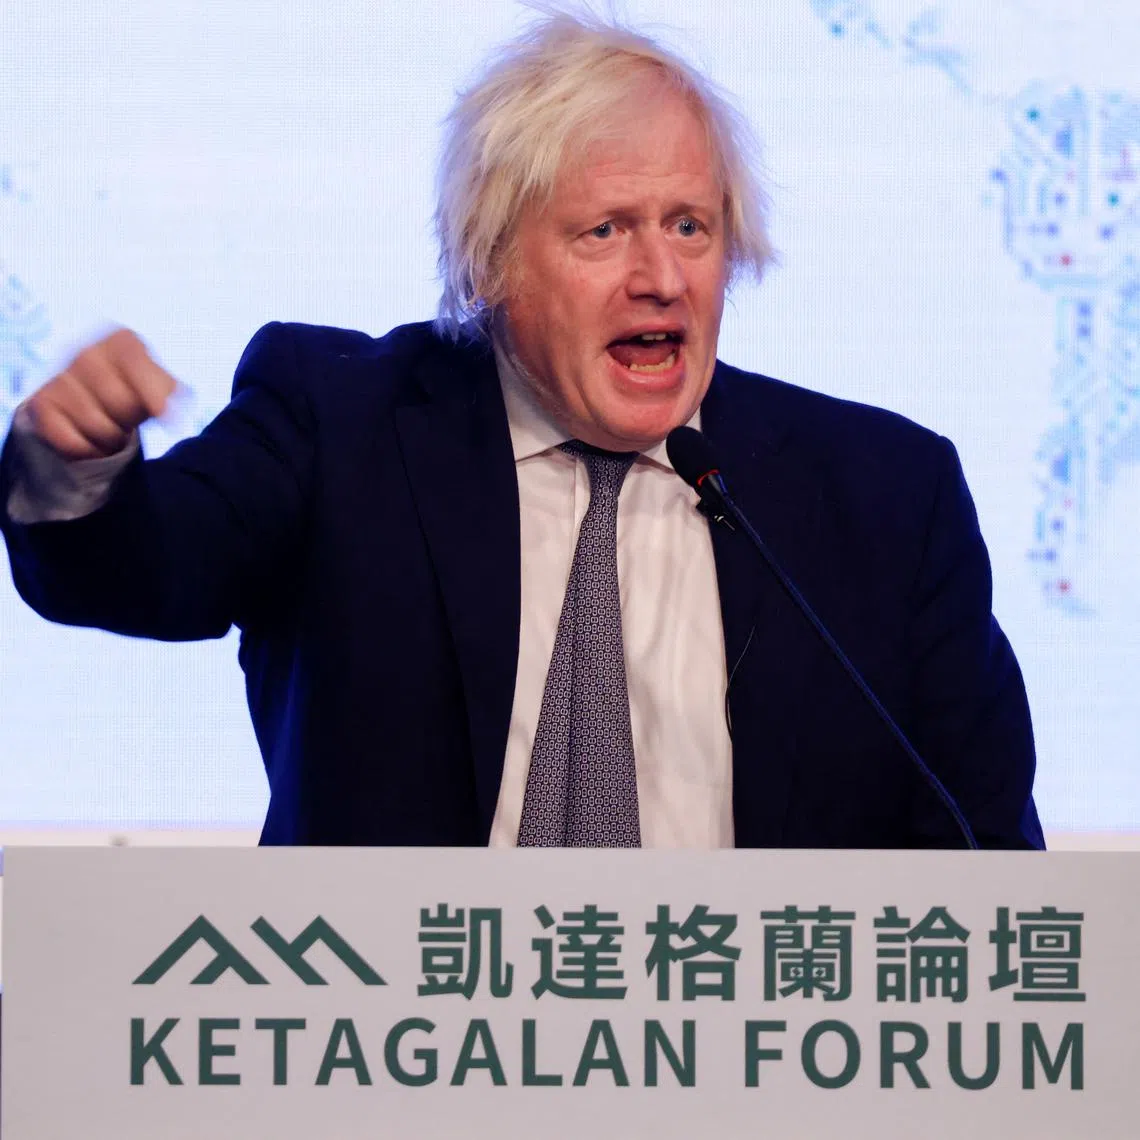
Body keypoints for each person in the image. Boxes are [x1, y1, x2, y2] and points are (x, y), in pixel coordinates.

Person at [0, 12, 1043, 849]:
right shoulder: (340, 425)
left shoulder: (884, 496)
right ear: (492, 260)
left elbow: (985, 854)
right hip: (396, 1074)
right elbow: (137, 571)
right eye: (606, 230)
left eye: (691, 225)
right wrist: (78, 465)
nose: (662, 278)